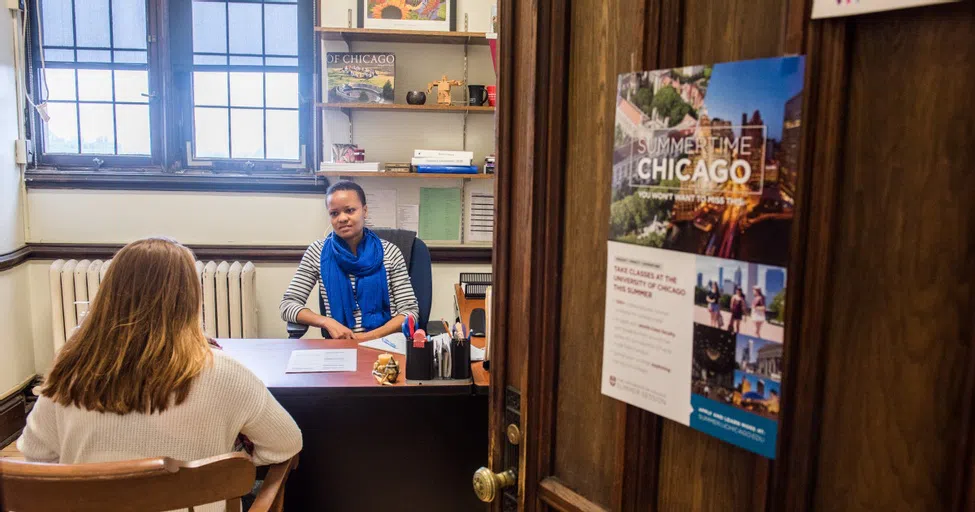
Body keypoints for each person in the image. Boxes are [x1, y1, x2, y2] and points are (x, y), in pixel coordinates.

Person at [17, 237, 302, 511]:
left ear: (108, 295)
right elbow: (286, 443)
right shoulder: (226, 373)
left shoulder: (69, 374)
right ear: (191, 298)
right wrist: (234, 460)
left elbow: (36, 456)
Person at [280, 181, 419, 340]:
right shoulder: (316, 252)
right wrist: (326, 321)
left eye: (350, 210)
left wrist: (367, 337)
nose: (342, 218)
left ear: (364, 211)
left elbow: (410, 312)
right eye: (334, 213)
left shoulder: (390, 252)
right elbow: (288, 305)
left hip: (386, 343)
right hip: (340, 345)